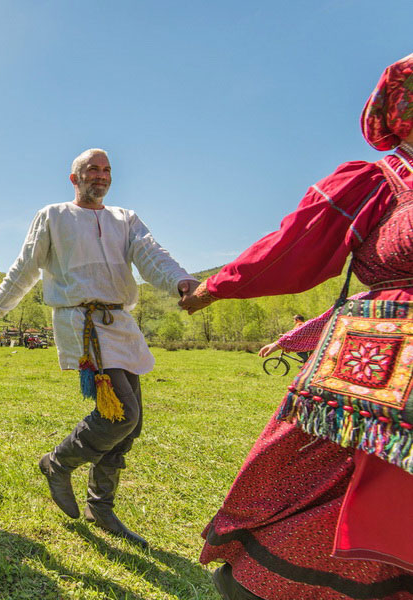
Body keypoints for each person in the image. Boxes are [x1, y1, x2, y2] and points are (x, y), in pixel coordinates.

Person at [181, 54, 413, 599]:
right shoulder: (379, 181)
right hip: (377, 369)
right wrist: (213, 288)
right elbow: (289, 249)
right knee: (329, 489)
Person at [0, 148, 198, 548]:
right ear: (74, 178)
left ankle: (101, 506)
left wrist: (181, 281)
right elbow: (25, 267)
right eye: (92, 169)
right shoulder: (54, 216)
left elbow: (152, 255)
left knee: (131, 423)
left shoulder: (124, 219)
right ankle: (57, 464)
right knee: (120, 414)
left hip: (121, 322)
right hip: (82, 321)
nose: (101, 175)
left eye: (107, 170)